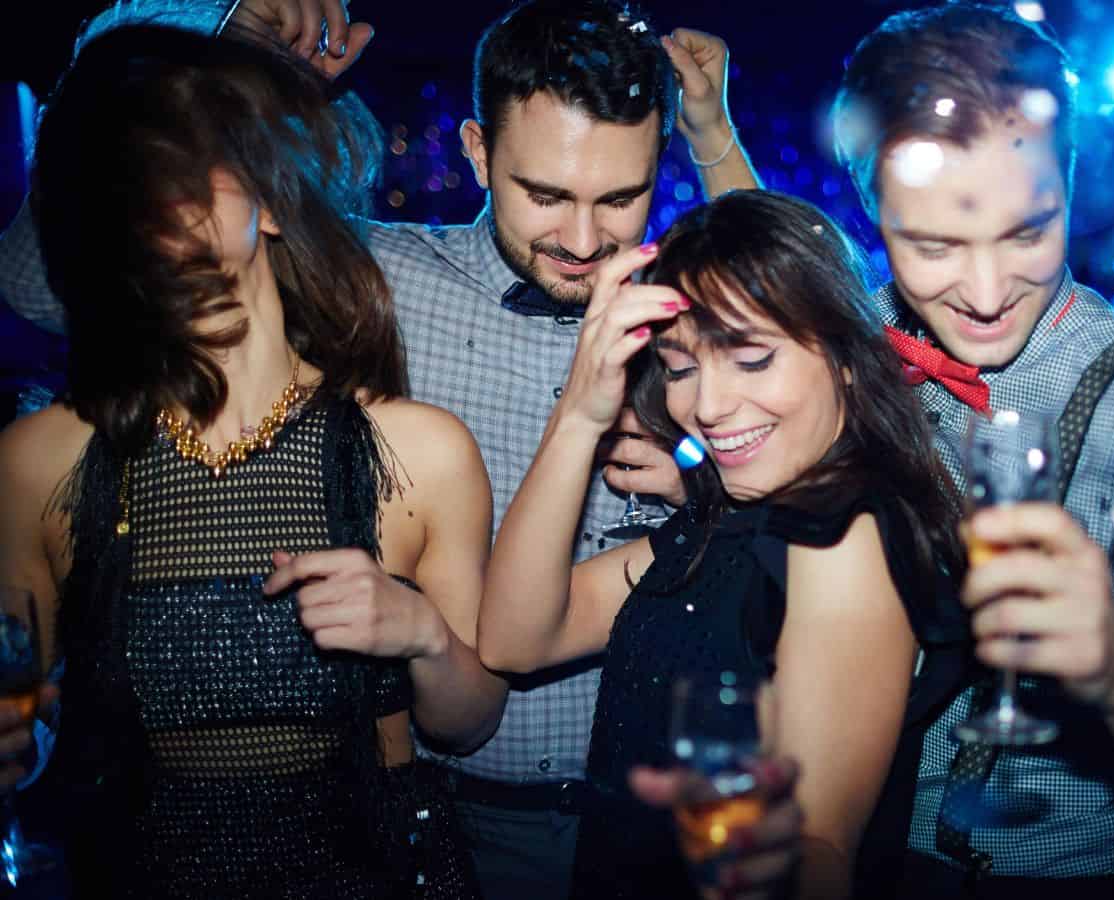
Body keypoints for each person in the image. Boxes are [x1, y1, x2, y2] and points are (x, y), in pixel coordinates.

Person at [0, 2, 756, 896]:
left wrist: (712, 474)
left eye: (619, 199)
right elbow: (45, 279)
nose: (584, 241)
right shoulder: (384, 279)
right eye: (545, 195)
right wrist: (225, 49)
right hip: (455, 809)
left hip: (657, 809)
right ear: (478, 152)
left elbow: (838, 375)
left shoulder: (701, 314)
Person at [0, 23, 505, 896]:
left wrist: (421, 634)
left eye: (176, 163)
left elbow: (470, 721)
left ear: (269, 201)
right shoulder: (39, 460)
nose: (150, 201)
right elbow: (33, 708)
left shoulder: (421, 451)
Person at [821, 3, 1114, 894]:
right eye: (933, 245)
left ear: (1070, 177)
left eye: (1028, 232)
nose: (989, 290)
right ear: (866, 199)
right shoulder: (840, 349)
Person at [477, 189, 970, 899]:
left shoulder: (842, 538)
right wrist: (581, 412)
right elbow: (517, 638)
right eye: (680, 368)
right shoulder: (734, 519)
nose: (705, 407)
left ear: (847, 358)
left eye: (750, 359)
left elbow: (816, 854)